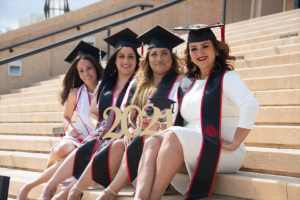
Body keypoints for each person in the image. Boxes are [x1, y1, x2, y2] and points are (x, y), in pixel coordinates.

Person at [134, 23, 260, 200]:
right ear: (189, 54)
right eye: (194, 48)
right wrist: (155, 124)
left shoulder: (227, 78)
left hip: (223, 151)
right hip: (192, 145)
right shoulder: (188, 83)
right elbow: (175, 121)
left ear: (216, 49)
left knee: (172, 135)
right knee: (152, 142)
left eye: (205, 47)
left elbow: (251, 105)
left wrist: (234, 143)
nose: (200, 53)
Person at [38, 28, 141, 200]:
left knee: (96, 146)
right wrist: (102, 128)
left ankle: (68, 192)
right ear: (115, 59)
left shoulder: (140, 84)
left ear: (137, 59)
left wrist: (125, 128)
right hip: (103, 131)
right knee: (88, 144)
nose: (126, 60)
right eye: (121, 56)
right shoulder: (107, 84)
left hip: (125, 135)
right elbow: (93, 113)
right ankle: (50, 188)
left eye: (131, 56)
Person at [85, 25, 185, 200]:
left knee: (145, 140)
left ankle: (111, 191)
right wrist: (131, 128)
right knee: (127, 140)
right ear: (147, 58)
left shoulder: (182, 81)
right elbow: (128, 114)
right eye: (153, 54)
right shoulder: (139, 84)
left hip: (167, 138)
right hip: (142, 137)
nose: (159, 58)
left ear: (171, 57)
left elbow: (178, 114)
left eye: (164, 53)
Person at [17, 41, 105, 200]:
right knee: (64, 149)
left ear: (96, 67)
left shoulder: (107, 89)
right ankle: (50, 162)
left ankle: (28, 187)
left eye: (89, 68)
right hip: (79, 132)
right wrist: (69, 128)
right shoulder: (75, 93)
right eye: (81, 70)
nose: (86, 73)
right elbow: (65, 116)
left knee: (72, 156)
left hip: (97, 135)